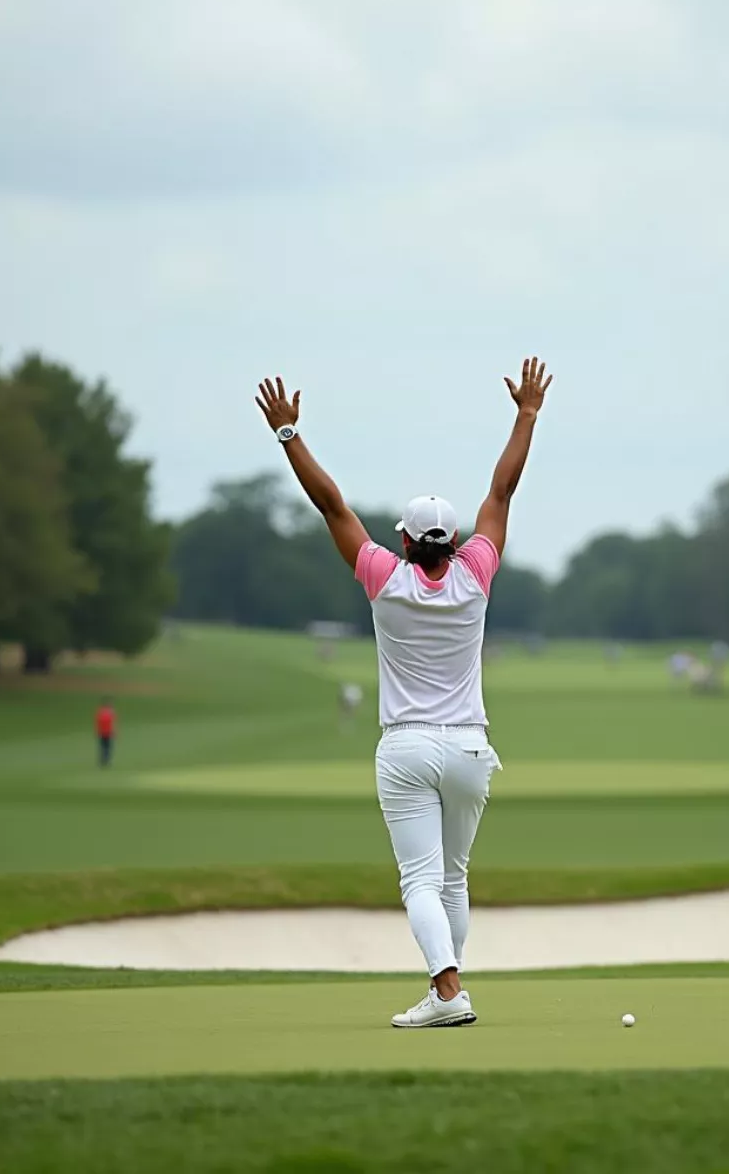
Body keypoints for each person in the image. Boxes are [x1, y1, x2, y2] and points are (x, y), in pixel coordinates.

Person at [255, 356, 552, 1029]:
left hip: (409, 747)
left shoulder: (384, 578)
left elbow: (331, 504)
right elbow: (501, 494)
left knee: (420, 881)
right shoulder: (476, 572)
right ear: (453, 543)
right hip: (472, 750)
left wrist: (287, 435)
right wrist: (527, 414)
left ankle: (448, 992)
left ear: (407, 541)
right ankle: (448, 988)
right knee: (453, 877)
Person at [95, 699, 116, 768]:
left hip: (102, 732)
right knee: (108, 747)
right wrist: (114, 732)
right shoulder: (111, 712)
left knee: (103, 747)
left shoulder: (100, 712)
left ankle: (103, 760)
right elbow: (112, 723)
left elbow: (98, 722)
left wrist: (97, 731)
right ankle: (107, 760)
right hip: (108, 732)